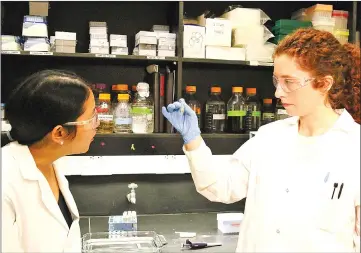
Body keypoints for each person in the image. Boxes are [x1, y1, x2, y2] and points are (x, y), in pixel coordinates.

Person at [162, 28, 360, 252]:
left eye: (289, 82)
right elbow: (221, 186)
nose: (278, 93)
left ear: (324, 84)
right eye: (277, 81)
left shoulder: (355, 148)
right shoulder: (269, 137)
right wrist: (193, 139)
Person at [2, 70, 99, 252]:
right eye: (91, 118)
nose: (98, 124)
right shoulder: (5, 182)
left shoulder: (50, 161)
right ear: (59, 133)